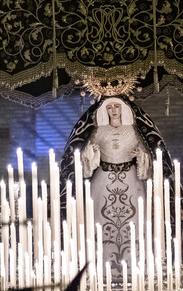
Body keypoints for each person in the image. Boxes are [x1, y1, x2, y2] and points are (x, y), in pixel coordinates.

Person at [60, 96, 170, 266]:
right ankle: (102, 263)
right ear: (105, 110)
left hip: (131, 180)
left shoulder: (133, 131)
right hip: (103, 180)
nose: (113, 110)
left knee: (134, 221)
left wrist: (141, 156)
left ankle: (134, 263)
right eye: (109, 107)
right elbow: (84, 156)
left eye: (116, 107)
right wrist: (91, 153)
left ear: (123, 109)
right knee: (100, 219)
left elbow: (146, 153)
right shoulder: (98, 131)